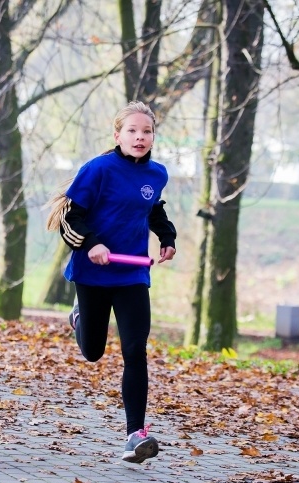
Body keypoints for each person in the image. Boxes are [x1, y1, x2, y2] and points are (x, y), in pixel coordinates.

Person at [46, 101, 176, 464]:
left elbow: (153, 209)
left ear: (153, 136)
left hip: (133, 273)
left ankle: (135, 435)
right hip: (94, 273)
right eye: (132, 131)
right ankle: (79, 318)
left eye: (146, 131)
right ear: (117, 135)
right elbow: (70, 218)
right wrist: (92, 244)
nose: (139, 137)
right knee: (93, 351)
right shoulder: (98, 169)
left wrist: (167, 237)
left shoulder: (157, 174)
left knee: (135, 350)